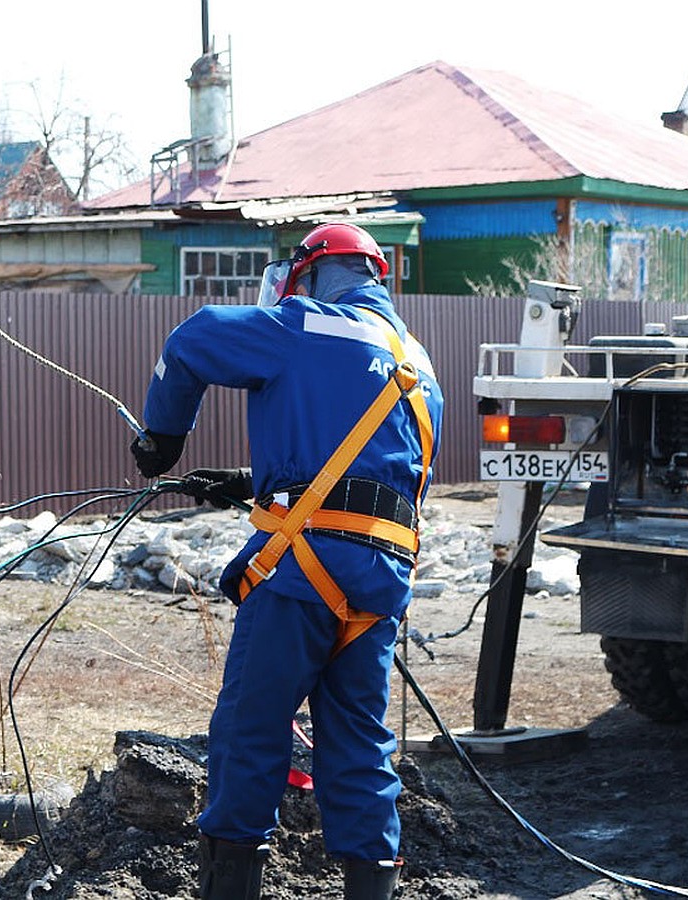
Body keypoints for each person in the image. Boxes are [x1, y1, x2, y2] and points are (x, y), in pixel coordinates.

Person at [129, 222, 444, 900]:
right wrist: (251, 480)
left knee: (251, 727)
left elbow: (192, 340)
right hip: (380, 583)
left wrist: (162, 439)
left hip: (302, 568)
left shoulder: (306, 323)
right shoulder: (420, 368)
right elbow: (375, 471)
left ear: (308, 274)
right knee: (361, 745)